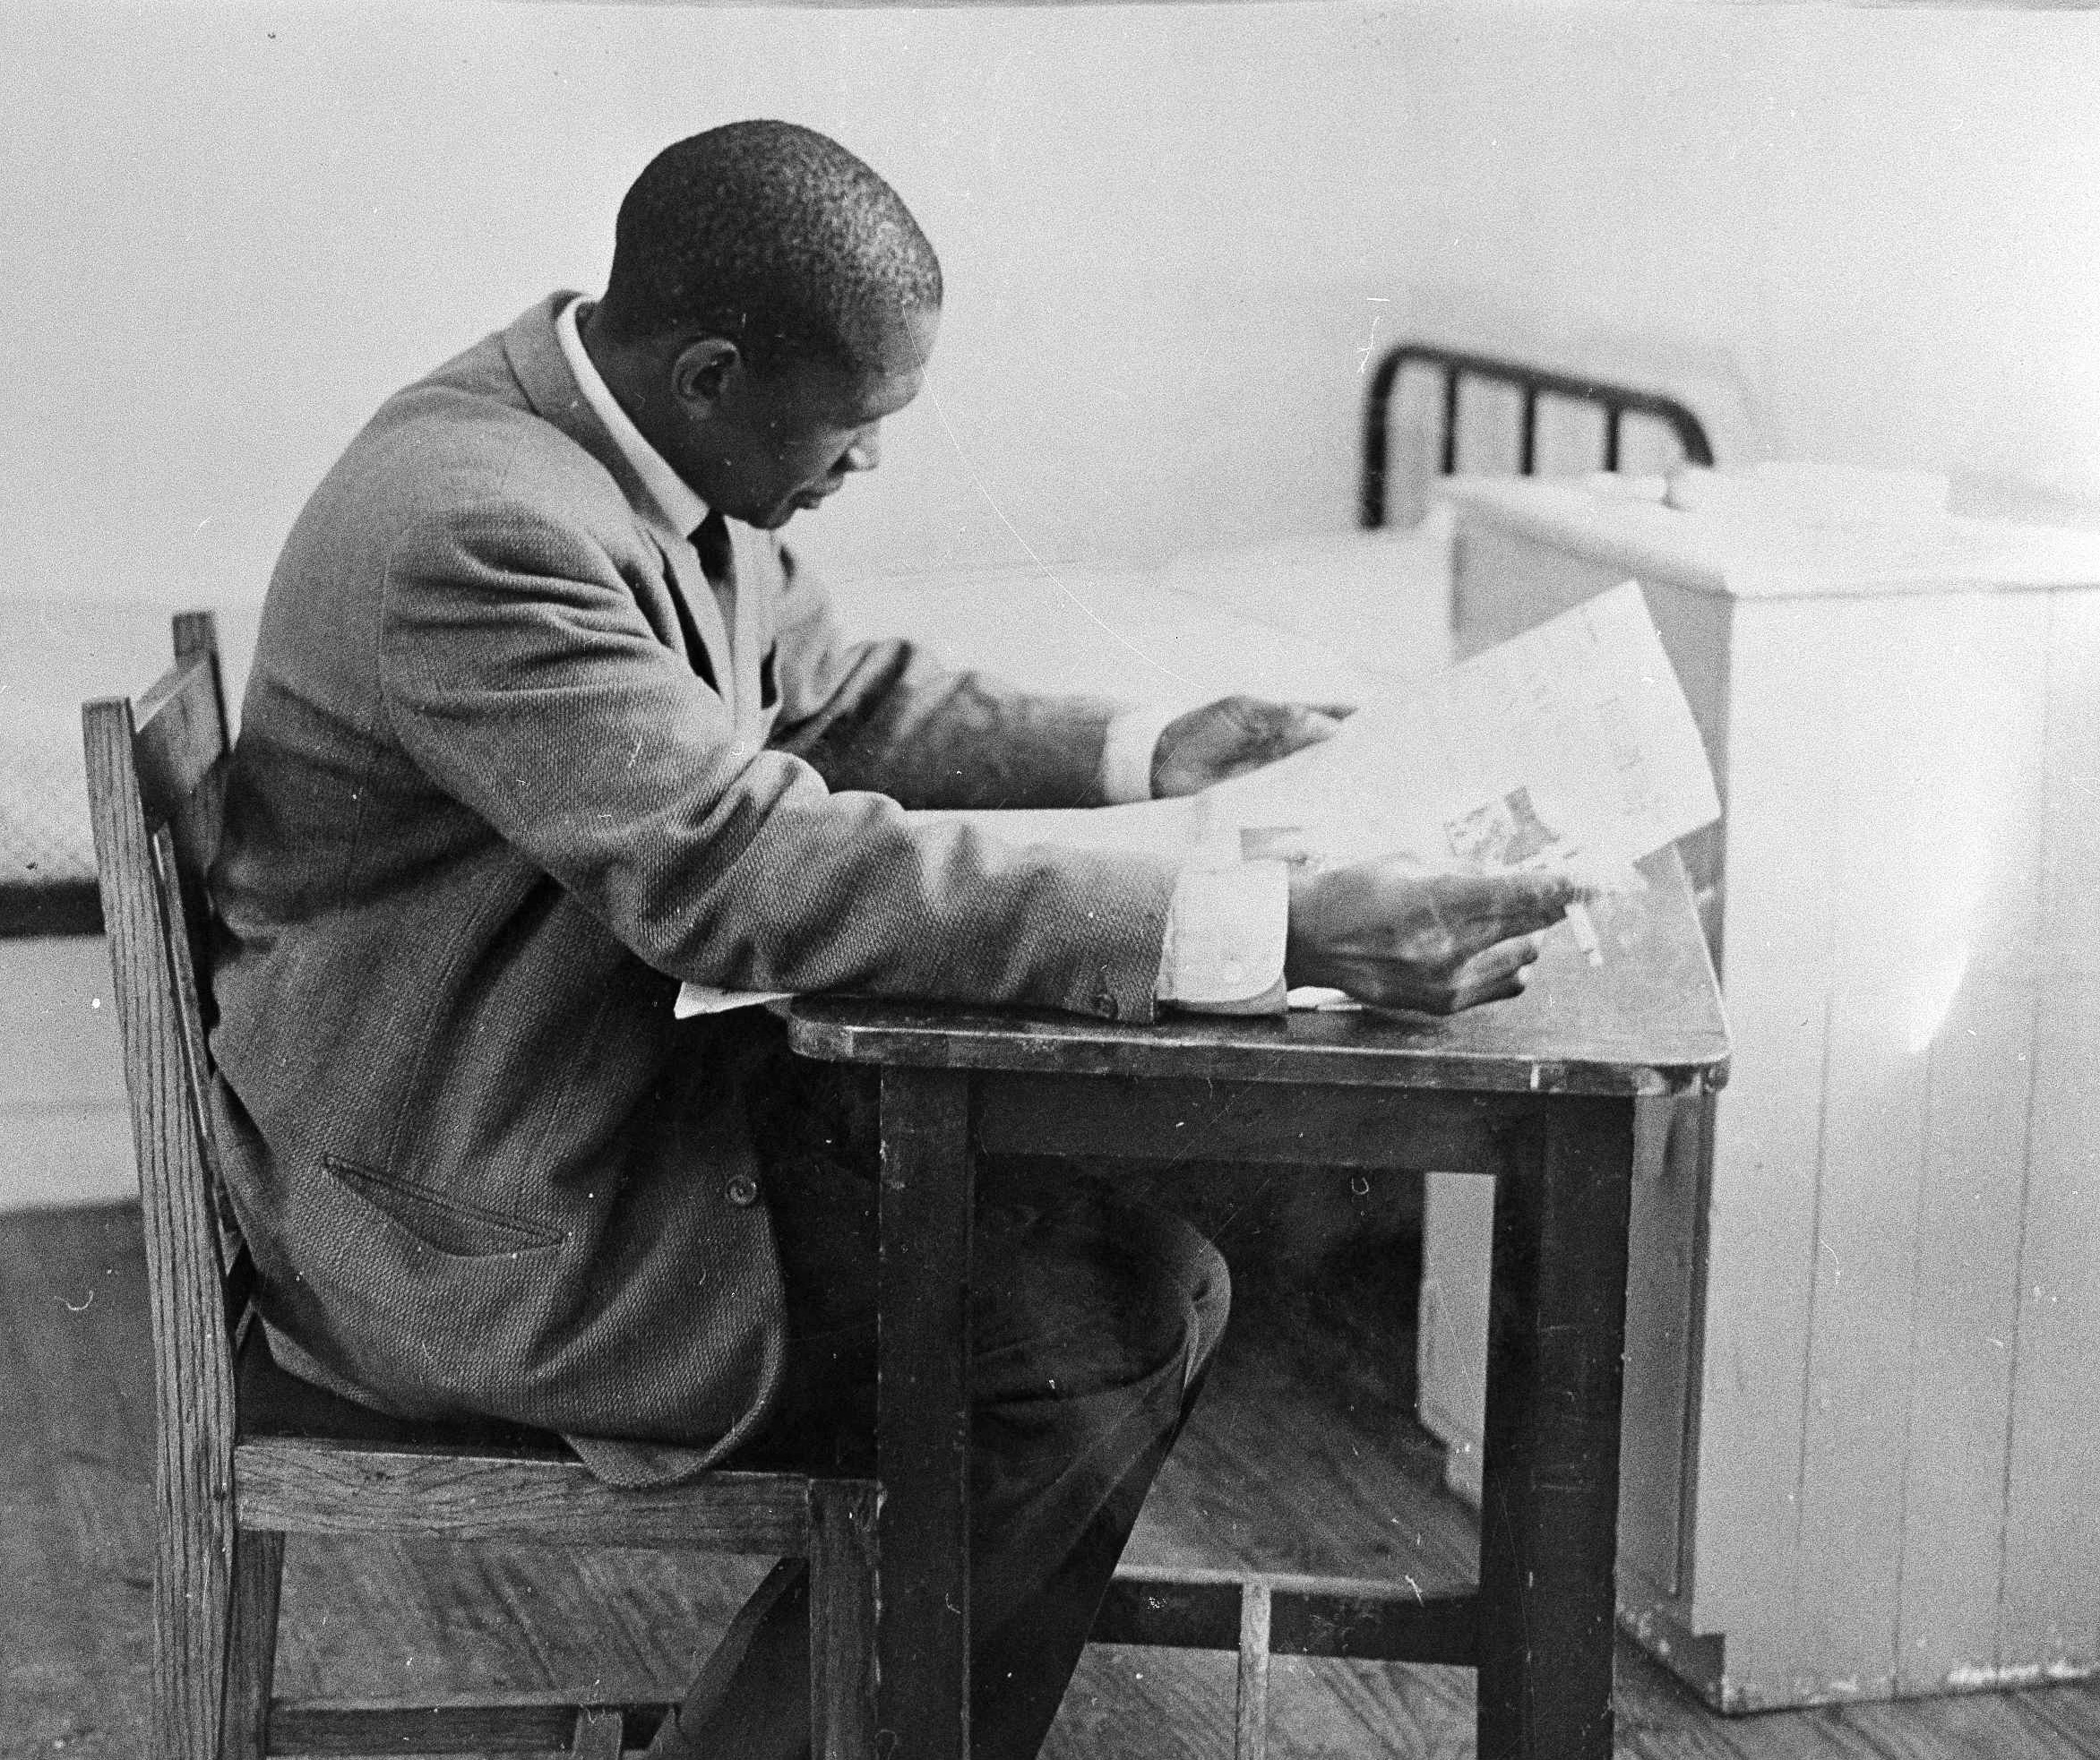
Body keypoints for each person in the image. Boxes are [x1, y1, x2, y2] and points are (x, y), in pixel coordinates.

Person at [205, 119, 1579, 1759]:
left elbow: (833, 698)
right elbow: (743, 868)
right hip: (464, 1218)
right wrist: (1273, 924)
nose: (868, 466)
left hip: (567, 1113)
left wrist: (1150, 748)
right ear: (712, 371)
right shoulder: (479, 527)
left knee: (1135, 1282)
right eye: (857, 427)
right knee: (1097, 1332)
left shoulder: (615, 435)